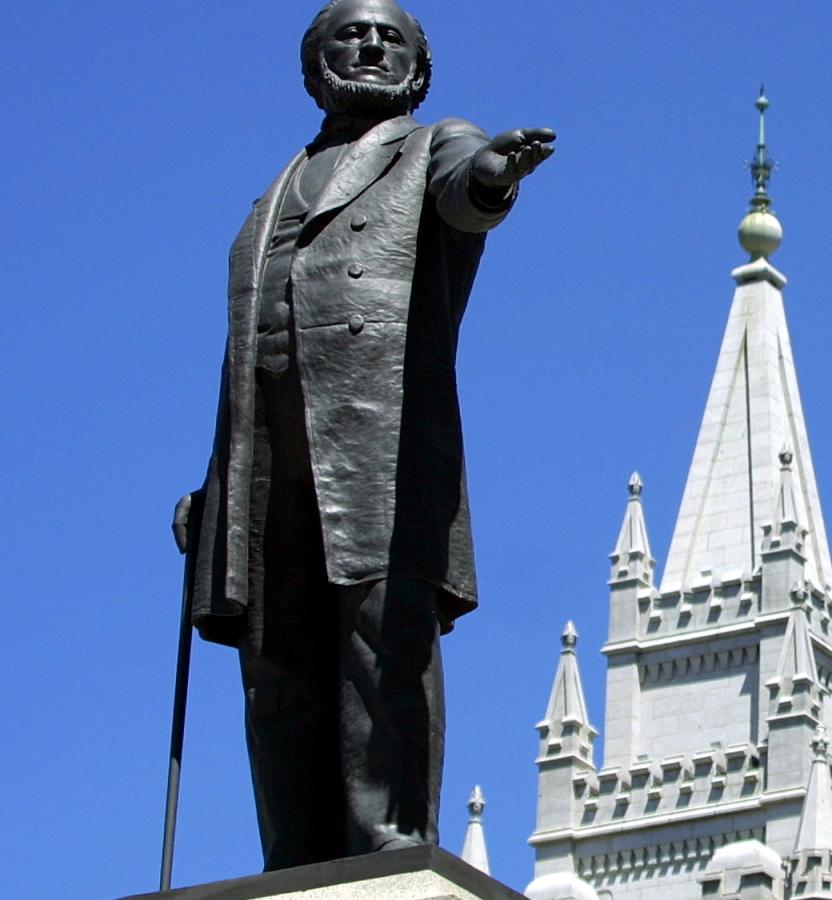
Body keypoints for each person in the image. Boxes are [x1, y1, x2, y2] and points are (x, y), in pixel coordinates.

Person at [171, 0, 555, 870]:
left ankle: (390, 844)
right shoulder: (274, 192)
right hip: (267, 461)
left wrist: (494, 175)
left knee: (384, 645)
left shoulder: (434, 146)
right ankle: (296, 859)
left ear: (418, 69)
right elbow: (248, 359)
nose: (372, 44)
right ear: (315, 62)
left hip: (380, 446)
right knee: (277, 662)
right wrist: (215, 486)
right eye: (351, 32)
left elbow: (466, 192)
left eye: (393, 37)